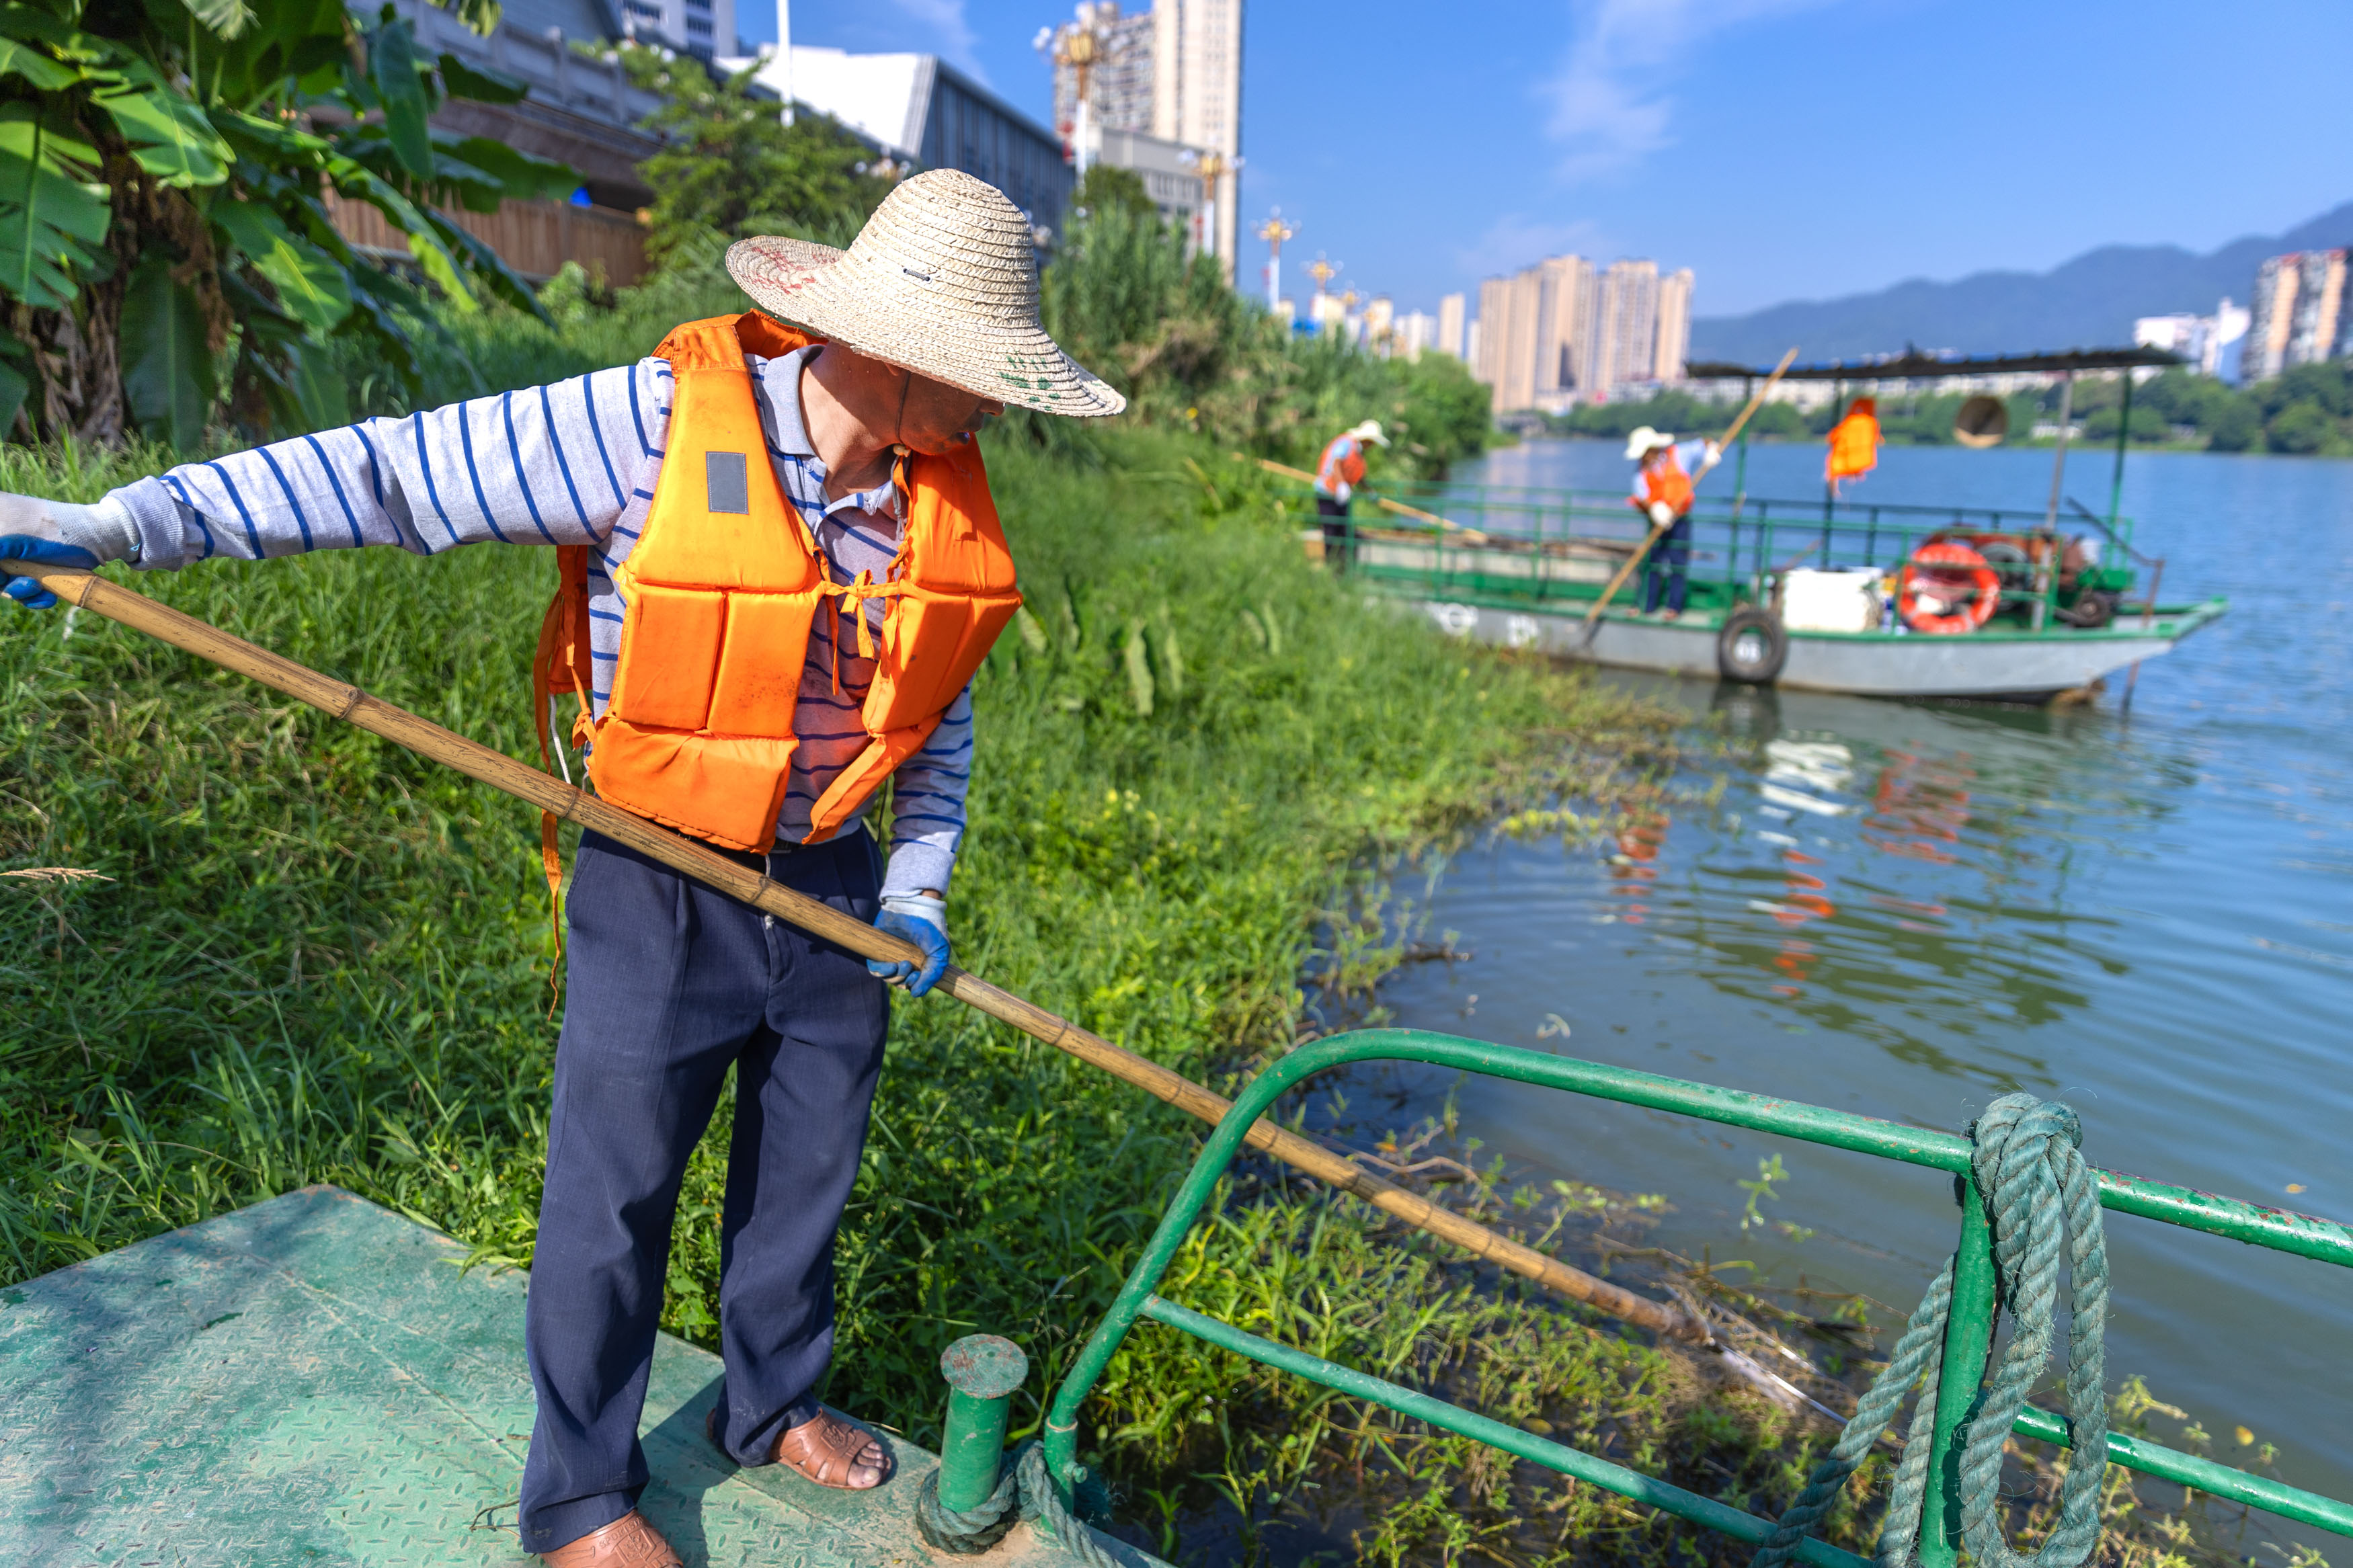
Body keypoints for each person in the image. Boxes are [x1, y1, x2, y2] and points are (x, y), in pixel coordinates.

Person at [0, 169, 1124, 1568]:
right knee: (613, 1193)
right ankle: (582, 1492)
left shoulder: (933, 496)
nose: (996, 409)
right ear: (897, 354)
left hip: (833, 890)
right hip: (662, 872)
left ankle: (772, 1399)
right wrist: (123, 525)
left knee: (808, 1172)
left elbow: (935, 718)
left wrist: (916, 888)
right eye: (980, 378)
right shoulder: (653, 423)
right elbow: (391, 471)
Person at [1622, 425, 1717, 620]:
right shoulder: (1640, 472)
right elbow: (1641, 497)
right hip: (1656, 523)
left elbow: (1705, 441)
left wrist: (1711, 450)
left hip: (1680, 521)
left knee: (1678, 563)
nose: (1643, 458)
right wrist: (1654, 509)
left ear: (1652, 449)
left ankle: (1674, 607)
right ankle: (1645, 604)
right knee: (1651, 563)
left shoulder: (1679, 454)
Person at [1312, 419, 1387, 569]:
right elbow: (1336, 463)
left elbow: (1357, 474)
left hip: (1341, 495)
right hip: (1327, 493)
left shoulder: (1358, 451)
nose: (1372, 446)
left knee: (1345, 530)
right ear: (1367, 439)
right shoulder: (1346, 443)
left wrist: (1369, 491)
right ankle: (1331, 568)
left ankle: (1342, 568)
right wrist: (1341, 486)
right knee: (1331, 531)